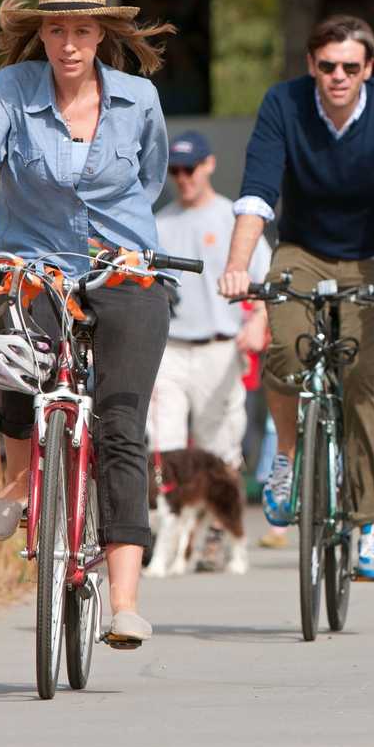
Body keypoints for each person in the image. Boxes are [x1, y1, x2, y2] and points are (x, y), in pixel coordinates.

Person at [0, 0, 176, 644]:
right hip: (33, 265)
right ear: (40, 33)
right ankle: (20, 482)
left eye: (82, 29)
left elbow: (149, 179)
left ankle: (124, 601)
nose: (69, 43)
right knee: (11, 349)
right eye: (56, 29)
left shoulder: (139, 100)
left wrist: (133, 245)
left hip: (121, 267)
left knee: (122, 424)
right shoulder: (8, 92)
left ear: (102, 33)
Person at [218, 14, 374, 581]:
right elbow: (257, 194)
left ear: (369, 70)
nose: (339, 76)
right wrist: (239, 267)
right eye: (328, 66)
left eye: (351, 67)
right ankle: (287, 457)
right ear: (312, 65)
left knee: (364, 379)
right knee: (287, 354)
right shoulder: (284, 104)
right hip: (304, 251)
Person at [146, 130, 270, 566]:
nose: (183, 178)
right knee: (165, 448)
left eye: (190, 168)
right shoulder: (159, 223)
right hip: (171, 349)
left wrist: (259, 321)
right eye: (175, 171)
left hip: (220, 347)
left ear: (209, 165)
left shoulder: (233, 218)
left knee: (221, 449)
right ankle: (168, 540)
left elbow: (265, 281)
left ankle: (219, 531)